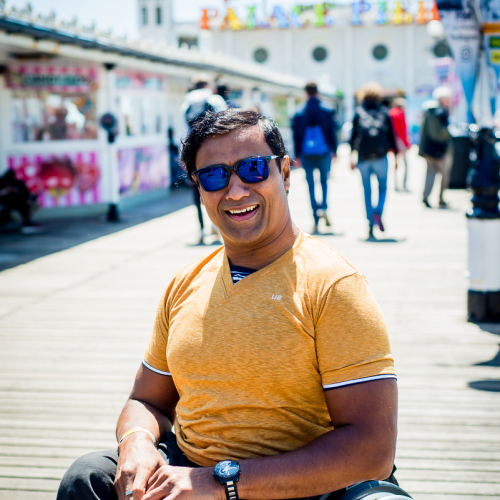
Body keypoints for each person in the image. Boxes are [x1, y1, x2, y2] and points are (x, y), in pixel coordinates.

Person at [57, 109, 399, 500]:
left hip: (298, 490)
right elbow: (147, 399)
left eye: (252, 168)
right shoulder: (186, 282)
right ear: (199, 190)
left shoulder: (334, 285)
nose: (235, 191)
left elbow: (373, 448)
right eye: (215, 175)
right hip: (187, 477)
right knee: (88, 477)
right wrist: (137, 441)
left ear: (285, 173)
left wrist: (223, 482)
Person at [181, 75, 228, 244]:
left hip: (193, 156)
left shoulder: (186, 104)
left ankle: (201, 229)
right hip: (214, 156)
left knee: (196, 192)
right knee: (218, 190)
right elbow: (225, 127)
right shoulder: (215, 100)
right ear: (208, 86)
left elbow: (182, 134)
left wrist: (184, 159)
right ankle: (216, 226)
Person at [350, 82, 398, 238]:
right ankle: (378, 212)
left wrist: (352, 156)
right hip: (381, 157)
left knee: (367, 191)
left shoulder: (359, 112)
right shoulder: (384, 112)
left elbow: (353, 137)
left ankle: (370, 223)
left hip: (363, 158)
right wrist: (396, 157)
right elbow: (392, 136)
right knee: (383, 188)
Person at [292, 82, 338, 234]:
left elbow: (296, 135)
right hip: (324, 152)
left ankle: (315, 216)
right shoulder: (327, 109)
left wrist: (297, 155)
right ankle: (324, 207)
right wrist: (334, 150)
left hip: (306, 153)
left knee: (310, 185)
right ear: (317, 92)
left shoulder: (299, 111)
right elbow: (332, 131)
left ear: (306, 93)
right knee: (324, 181)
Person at [419, 86, 453, 209]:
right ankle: (437, 198)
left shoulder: (431, 111)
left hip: (432, 149)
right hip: (439, 150)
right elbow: (437, 133)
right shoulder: (437, 112)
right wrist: (449, 132)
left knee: (432, 174)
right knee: (441, 174)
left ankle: (428, 197)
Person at [389, 98, 411, 191]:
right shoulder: (399, 114)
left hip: (393, 142)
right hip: (400, 142)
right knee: (405, 164)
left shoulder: (390, 113)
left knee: (396, 164)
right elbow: (401, 131)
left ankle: (395, 185)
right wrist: (406, 143)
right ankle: (403, 184)